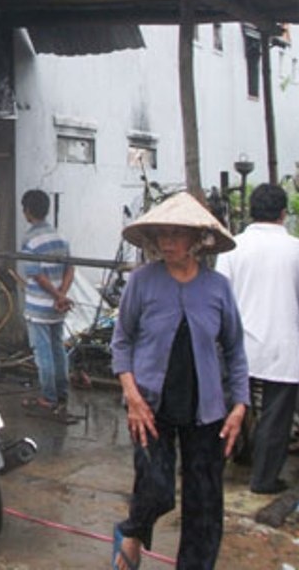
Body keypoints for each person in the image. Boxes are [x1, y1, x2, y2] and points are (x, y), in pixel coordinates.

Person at [110, 192, 249, 570]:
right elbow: (121, 341)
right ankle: (131, 532)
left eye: (177, 234)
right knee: (155, 489)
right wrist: (132, 395)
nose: (168, 242)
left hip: (206, 411)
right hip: (150, 406)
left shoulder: (217, 287)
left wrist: (239, 406)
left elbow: (235, 350)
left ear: (197, 241)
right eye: (162, 234)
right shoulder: (142, 282)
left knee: (205, 503)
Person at [215, 184, 299, 494]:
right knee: (276, 414)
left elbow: (221, 295)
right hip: (281, 344)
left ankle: (214, 465)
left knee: (225, 406)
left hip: (239, 341)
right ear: (284, 213)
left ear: (250, 213)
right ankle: (264, 479)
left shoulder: (232, 247)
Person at [19, 189, 74, 412]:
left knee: (43, 353)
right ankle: (62, 392)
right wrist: (62, 294)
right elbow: (70, 268)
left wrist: (56, 294)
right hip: (58, 306)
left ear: (28, 211)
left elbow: (37, 276)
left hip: (40, 307)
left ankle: (49, 397)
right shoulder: (59, 237)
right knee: (58, 348)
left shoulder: (30, 239)